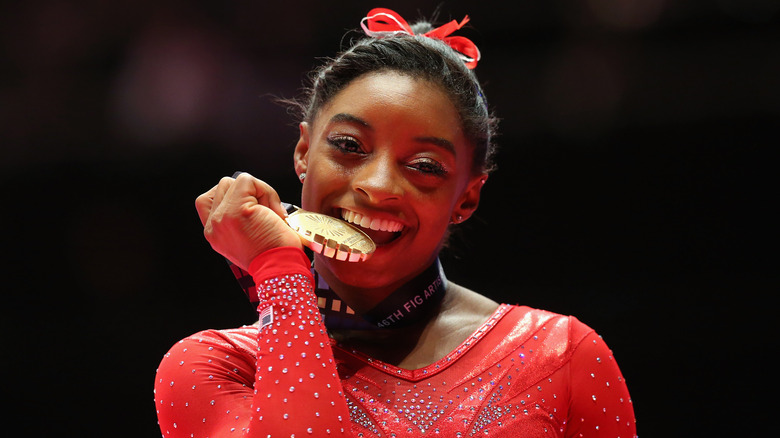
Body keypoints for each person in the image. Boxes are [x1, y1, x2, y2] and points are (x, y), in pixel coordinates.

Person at [154, 8, 637, 437]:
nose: (379, 184)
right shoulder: (216, 367)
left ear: (466, 197)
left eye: (425, 166)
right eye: (348, 146)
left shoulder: (564, 357)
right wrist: (279, 271)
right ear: (303, 153)